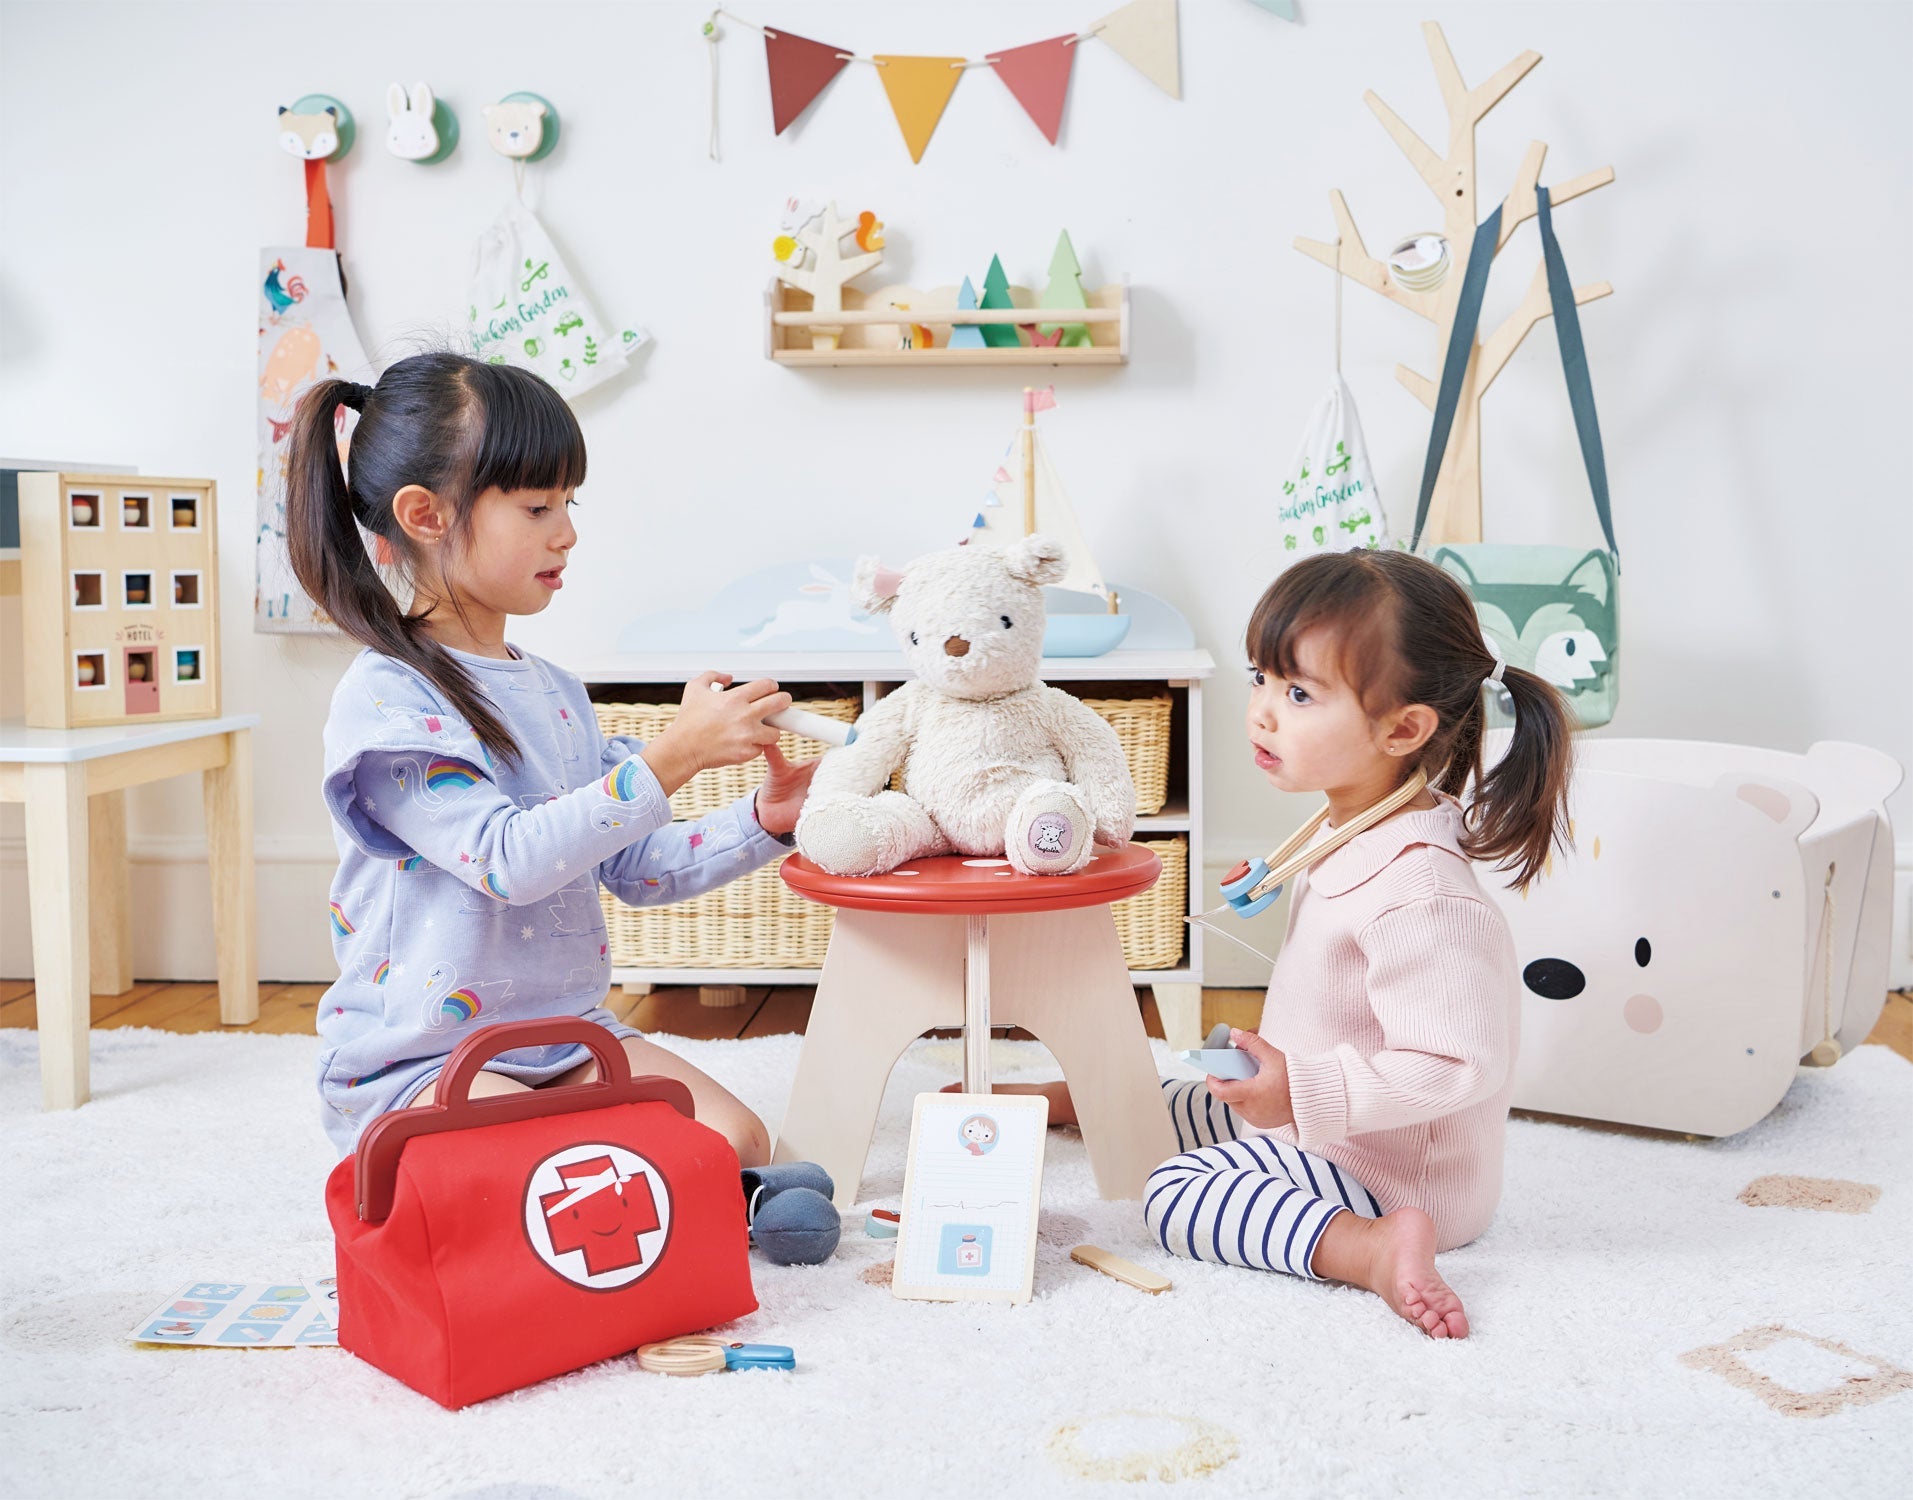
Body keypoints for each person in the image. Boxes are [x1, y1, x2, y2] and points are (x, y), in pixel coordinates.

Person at [286, 352, 836, 1259]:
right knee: (561, 1173)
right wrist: (673, 754)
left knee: (740, 1141)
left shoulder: (556, 694)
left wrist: (763, 819)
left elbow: (634, 866)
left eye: (569, 505)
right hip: (424, 1061)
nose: (567, 533)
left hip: (568, 1040)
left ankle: (663, 1195)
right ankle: (527, 1203)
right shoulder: (389, 701)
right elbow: (509, 861)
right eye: (537, 508)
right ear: (425, 516)